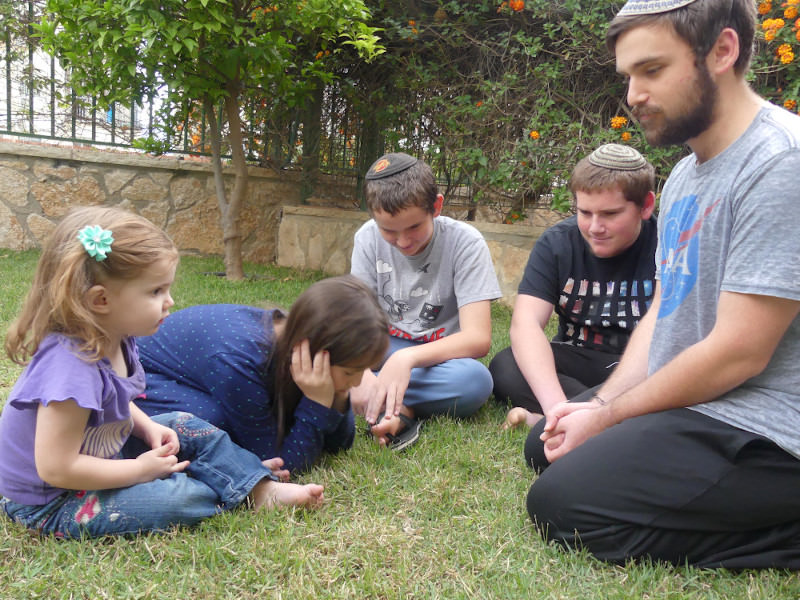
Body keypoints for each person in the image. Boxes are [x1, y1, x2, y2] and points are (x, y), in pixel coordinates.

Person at [525, 0, 800, 569]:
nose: (633, 95)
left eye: (651, 70)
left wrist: (607, 419)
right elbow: (665, 312)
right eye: (628, 76)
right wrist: (601, 403)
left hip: (769, 427)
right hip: (709, 405)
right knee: (546, 443)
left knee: (562, 503)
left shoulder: (780, 163)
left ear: (722, 52)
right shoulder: (683, 175)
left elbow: (738, 354)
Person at [0, 206, 323, 539]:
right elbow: (56, 468)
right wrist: (139, 471)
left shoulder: (116, 338)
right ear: (101, 300)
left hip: (103, 453)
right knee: (176, 499)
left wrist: (148, 426)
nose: (169, 301)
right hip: (53, 500)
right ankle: (235, 484)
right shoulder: (69, 369)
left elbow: (113, 399)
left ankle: (253, 486)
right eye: (155, 291)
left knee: (185, 424)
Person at [136, 275, 389, 474]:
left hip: (197, 379)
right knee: (212, 424)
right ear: (315, 351)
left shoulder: (297, 348)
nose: (357, 382)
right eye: (349, 372)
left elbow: (339, 445)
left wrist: (337, 392)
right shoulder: (241, 361)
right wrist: (316, 403)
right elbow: (279, 463)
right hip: (140, 385)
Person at [489, 143, 657, 429]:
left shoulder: (670, 245)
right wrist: (556, 407)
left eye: (610, 214)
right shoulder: (557, 243)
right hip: (579, 358)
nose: (594, 227)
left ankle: (561, 419)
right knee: (506, 366)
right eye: (585, 212)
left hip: (641, 366)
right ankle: (580, 418)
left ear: (646, 206)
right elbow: (525, 325)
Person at [349, 152, 502, 450]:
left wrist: (405, 359)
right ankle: (395, 402)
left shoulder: (466, 242)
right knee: (323, 354)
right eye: (389, 231)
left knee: (475, 383)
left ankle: (383, 400)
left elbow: (478, 339)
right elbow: (355, 324)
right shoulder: (366, 238)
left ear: (437, 206)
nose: (404, 242)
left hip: (438, 359)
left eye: (414, 227)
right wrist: (360, 372)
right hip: (378, 348)